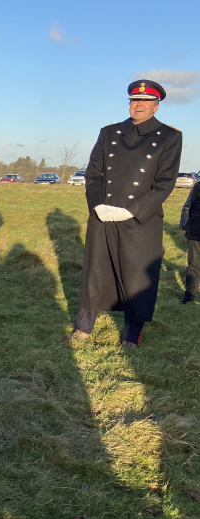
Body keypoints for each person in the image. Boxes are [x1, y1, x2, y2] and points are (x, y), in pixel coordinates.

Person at [72, 79, 182, 348]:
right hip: (104, 215)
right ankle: (84, 327)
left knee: (136, 278)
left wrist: (132, 211)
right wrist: (98, 205)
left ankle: (131, 335)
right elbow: (93, 174)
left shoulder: (170, 137)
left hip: (141, 219)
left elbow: (164, 182)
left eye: (145, 101)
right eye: (135, 100)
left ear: (156, 107)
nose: (139, 105)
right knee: (96, 272)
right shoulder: (108, 133)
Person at [179, 181, 200, 303]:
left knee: (194, 266)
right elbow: (187, 206)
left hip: (195, 230)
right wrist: (186, 225)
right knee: (193, 266)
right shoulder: (197, 186)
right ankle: (190, 296)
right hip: (195, 231)